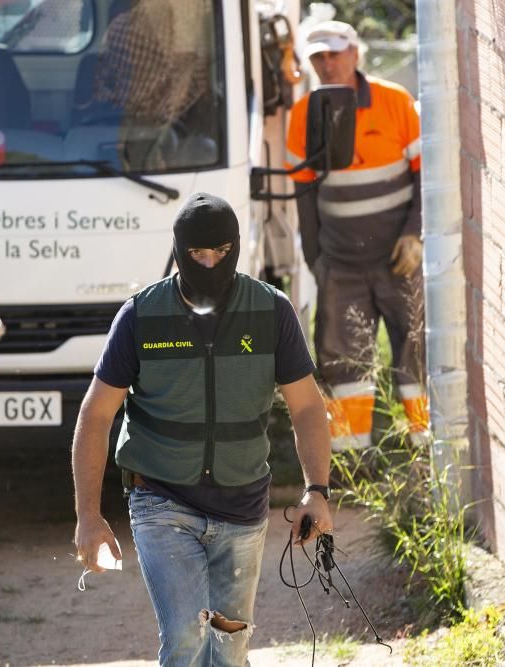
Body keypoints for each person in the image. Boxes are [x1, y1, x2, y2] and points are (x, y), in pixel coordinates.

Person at [72, 192, 334, 666]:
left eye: (221, 252)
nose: (210, 263)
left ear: (235, 248)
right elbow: (96, 415)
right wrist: (89, 516)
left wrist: (317, 490)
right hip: (161, 500)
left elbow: (308, 408)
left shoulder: (270, 311)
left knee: (229, 649)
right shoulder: (140, 317)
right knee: (186, 638)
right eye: (197, 254)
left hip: (242, 505)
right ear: (178, 251)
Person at [285, 20, 429, 450]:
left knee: (416, 348)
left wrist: (415, 234)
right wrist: (318, 263)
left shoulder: (395, 102)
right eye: (317, 57)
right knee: (342, 361)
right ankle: (352, 463)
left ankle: (426, 450)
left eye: (334, 53)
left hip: (398, 257)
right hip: (341, 264)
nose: (326, 64)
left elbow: (427, 178)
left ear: (355, 54)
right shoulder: (303, 115)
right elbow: (304, 197)